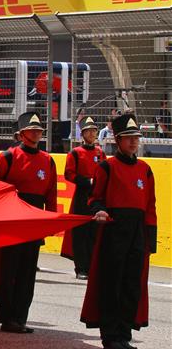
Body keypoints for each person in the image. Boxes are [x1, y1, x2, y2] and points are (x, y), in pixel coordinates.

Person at [81, 113, 157, 349]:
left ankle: (125, 333)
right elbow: (95, 198)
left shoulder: (145, 170)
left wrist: (150, 239)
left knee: (131, 284)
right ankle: (110, 335)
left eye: (136, 138)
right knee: (111, 283)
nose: (133, 142)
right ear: (118, 140)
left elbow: (150, 206)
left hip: (136, 233)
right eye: (128, 138)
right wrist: (100, 210)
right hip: (114, 231)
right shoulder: (106, 167)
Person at [0, 112, 57, 334]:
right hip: (14, 220)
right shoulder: (9, 155)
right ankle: (7, 318)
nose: (36, 133)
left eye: (39, 130)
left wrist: (50, 220)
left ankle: (21, 317)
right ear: (22, 134)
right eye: (32, 130)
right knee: (10, 271)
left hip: (34, 223)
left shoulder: (47, 160)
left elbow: (51, 193)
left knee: (27, 273)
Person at [62, 116, 106, 279]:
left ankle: (92, 266)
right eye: (89, 131)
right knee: (80, 233)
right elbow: (69, 174)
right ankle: (81, 267)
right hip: (82, 195)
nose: (93, 133)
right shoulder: (75, 153)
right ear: (83, 134)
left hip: (96, 196)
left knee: (94, 232)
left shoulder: (100, 152)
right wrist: (88, 181)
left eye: (94, 130)